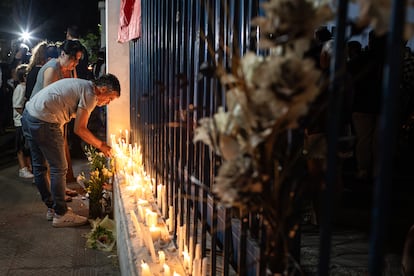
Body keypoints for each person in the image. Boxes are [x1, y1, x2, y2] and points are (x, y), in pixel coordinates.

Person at [21, 74, 121, 227]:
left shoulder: (83, 85)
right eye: (110, 98)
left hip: (29, 115)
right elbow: (80, 129)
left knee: (39, 167)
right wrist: (102, 146)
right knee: (59, 168)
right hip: (45, 121)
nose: (108, 102)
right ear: (102, 89)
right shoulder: (91, 94)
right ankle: (61, 213)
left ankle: (53, 208)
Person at [30, 39, 83, 199]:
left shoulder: (71, 69)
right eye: (73, 59)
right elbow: (48, 101)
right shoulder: (52, 70)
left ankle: (60, 188)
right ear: (62, 54)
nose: (75, 63)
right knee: (49, 159)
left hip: (59, 117)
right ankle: (54, 197)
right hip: (42, 117)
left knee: (59, 155)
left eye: (78, 59)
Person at [12, 64, 34, 178]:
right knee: (21, 146)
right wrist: (26, 116)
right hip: (20, 122)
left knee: (26, 147)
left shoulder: (25, 87)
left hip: (24, 121)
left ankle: (28, 166)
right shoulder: (20, 88)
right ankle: (23, 168)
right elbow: (17, 106)